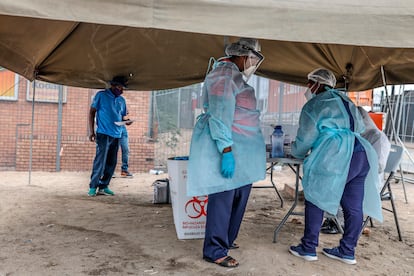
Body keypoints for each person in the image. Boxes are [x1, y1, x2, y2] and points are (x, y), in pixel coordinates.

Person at [288, 68, 383, 265]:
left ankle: (308, 248)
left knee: (314, 195)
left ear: (317, 84)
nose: (307, 87)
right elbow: (361, 127)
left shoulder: (315, 104)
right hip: (360, 152)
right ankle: (347, 251)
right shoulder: (347, 100)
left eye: (309, 82)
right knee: (353, 206)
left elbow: (306, 137)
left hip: (337, 153)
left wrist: (296, 152)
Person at [187, 38, 266, 268]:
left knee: (238, 196)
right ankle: (214, 249)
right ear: (241, 55)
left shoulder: (234, 76)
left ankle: (227, 240)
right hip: (228, 147)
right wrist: (226, 150)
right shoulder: (223, 75)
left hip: (242, 149)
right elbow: (221, 115)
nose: (251, 63)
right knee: (223, 199)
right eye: (251, 58)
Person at [321, 106, 391, 234]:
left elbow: (378, 166)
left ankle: (338, 221)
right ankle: (333, 219)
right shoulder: (354, 135)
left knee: (336, 184)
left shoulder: (377, 137)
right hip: (353, 173)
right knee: (329, 180)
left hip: (368, 179)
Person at [88, 75, 129, 196]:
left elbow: (122, 116)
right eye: (119, 87)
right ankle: (93, 186)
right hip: (103, 133)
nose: (121, 90)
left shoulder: (121, 100)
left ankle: (104, 185)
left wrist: (127, 121)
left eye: (123, 88)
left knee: (112, 162)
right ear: (112, 86)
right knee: (100, 161)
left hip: (117, 133)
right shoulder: (101, 95)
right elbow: (91, 113)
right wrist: (91, 131)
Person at [119, 112, 133, 178]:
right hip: (112, 129)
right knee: (112, 151)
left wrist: (126, 121)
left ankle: (124, 170)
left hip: (122, 129)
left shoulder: (122, 103)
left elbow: (122, 118)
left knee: (126, 150)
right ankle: (109, 172)